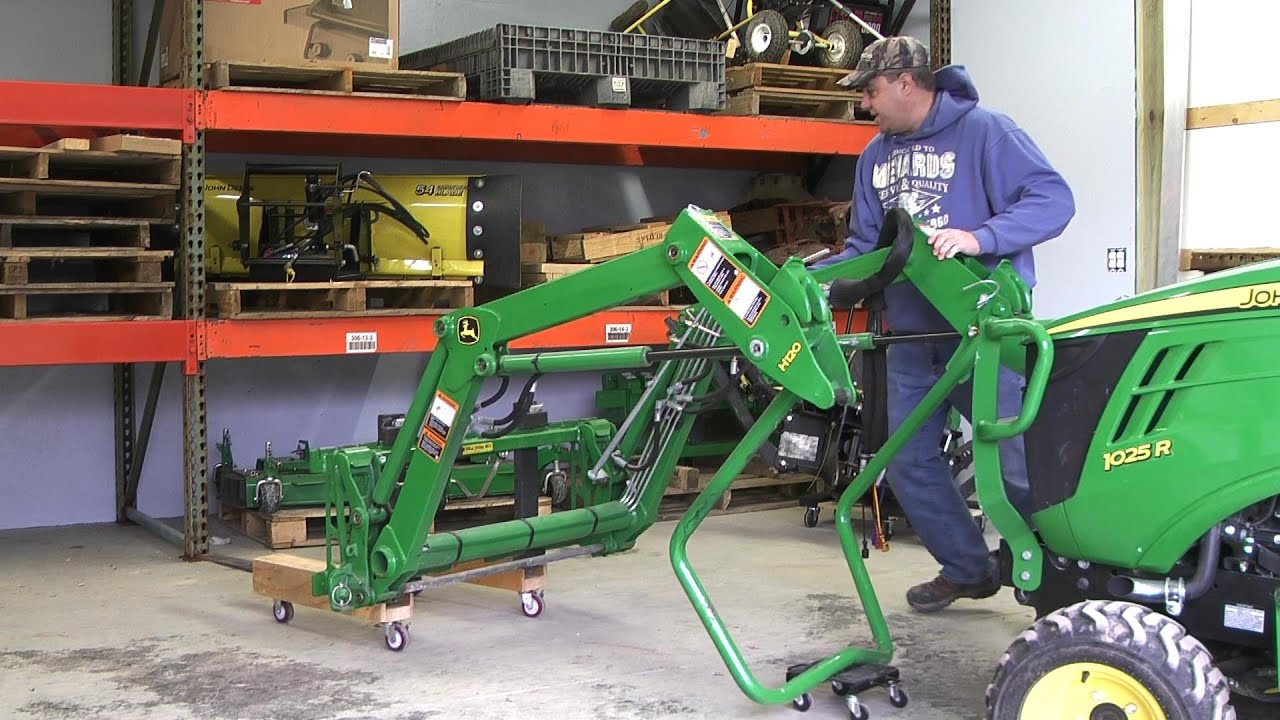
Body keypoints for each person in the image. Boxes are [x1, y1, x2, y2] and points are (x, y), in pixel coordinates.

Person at [814, 36, 1075, 613]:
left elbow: (1053, 199)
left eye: (871, 91)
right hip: (908, 337)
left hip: (981, 334)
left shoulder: (985, 132)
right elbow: (865, 247)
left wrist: (979, 238)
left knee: (1013, 462)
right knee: (904, 458)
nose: (865, 105)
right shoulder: (873, 158)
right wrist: (809, 278)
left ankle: (1063, 581)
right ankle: (967, 568)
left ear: (907, 83)